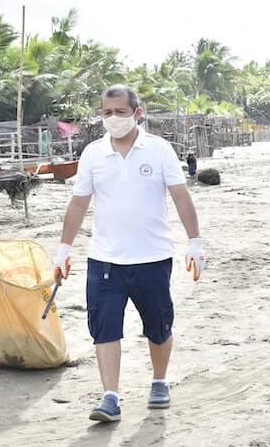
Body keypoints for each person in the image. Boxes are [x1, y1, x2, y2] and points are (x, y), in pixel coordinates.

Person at [54, 84, 206, 423]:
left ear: (137, 113)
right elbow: (79, 203)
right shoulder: (93, 154)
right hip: (105, 259)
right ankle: (110, 396)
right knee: (105, 326)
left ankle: (159, 381)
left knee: (159, 325)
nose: (113, 119)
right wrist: (63, 249)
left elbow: (181, 197)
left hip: (152, 257)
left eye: (120, 112)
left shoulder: (159, 150)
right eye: (106, 113)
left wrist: (194, 242)